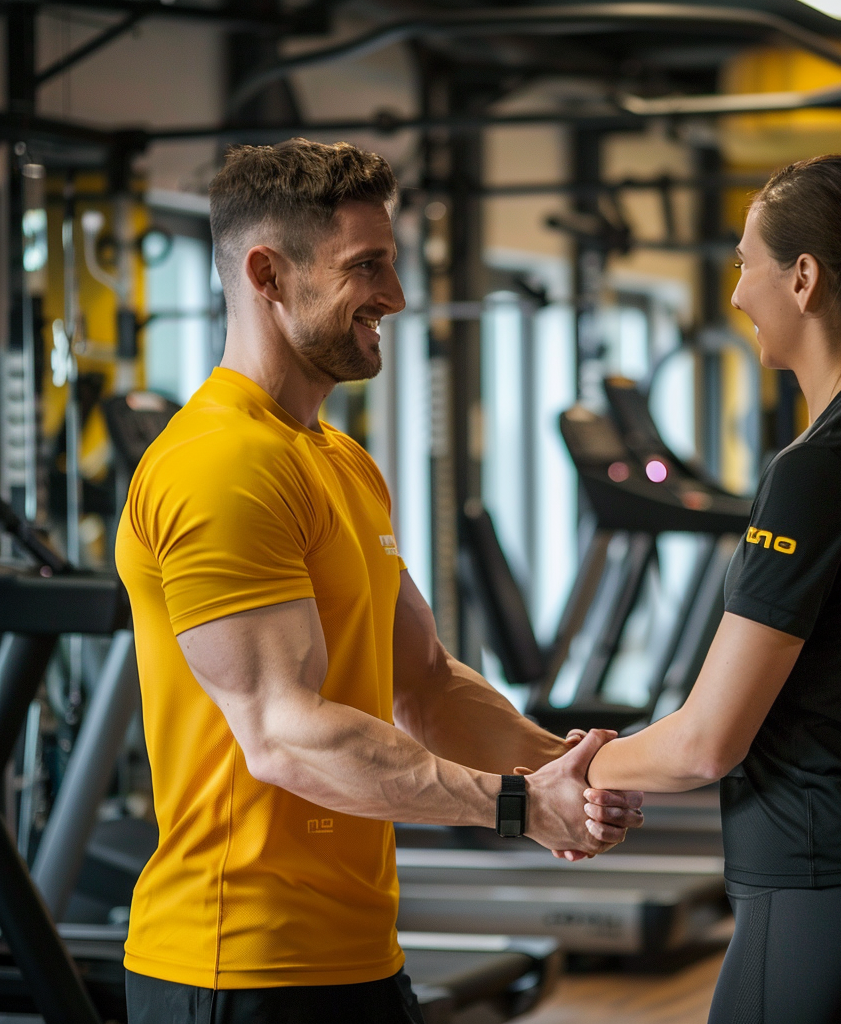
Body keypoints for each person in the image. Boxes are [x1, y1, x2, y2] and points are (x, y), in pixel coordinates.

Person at [115, 138, 643, 1024]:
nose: (395, 297)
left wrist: (563, 769)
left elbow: (425, 680)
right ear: (267, 274)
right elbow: (284, 735)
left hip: (355, 952)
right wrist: (516, 806)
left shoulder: (338, 459)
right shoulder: (222, 465)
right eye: (367, 267)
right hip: (235, 964)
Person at [582, 154, 841, 1024]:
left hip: (819, 890)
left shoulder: (818, 470)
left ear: (803, 279)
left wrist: (571, 770)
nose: (735, 292)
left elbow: (707, 743)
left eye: (746, 263)